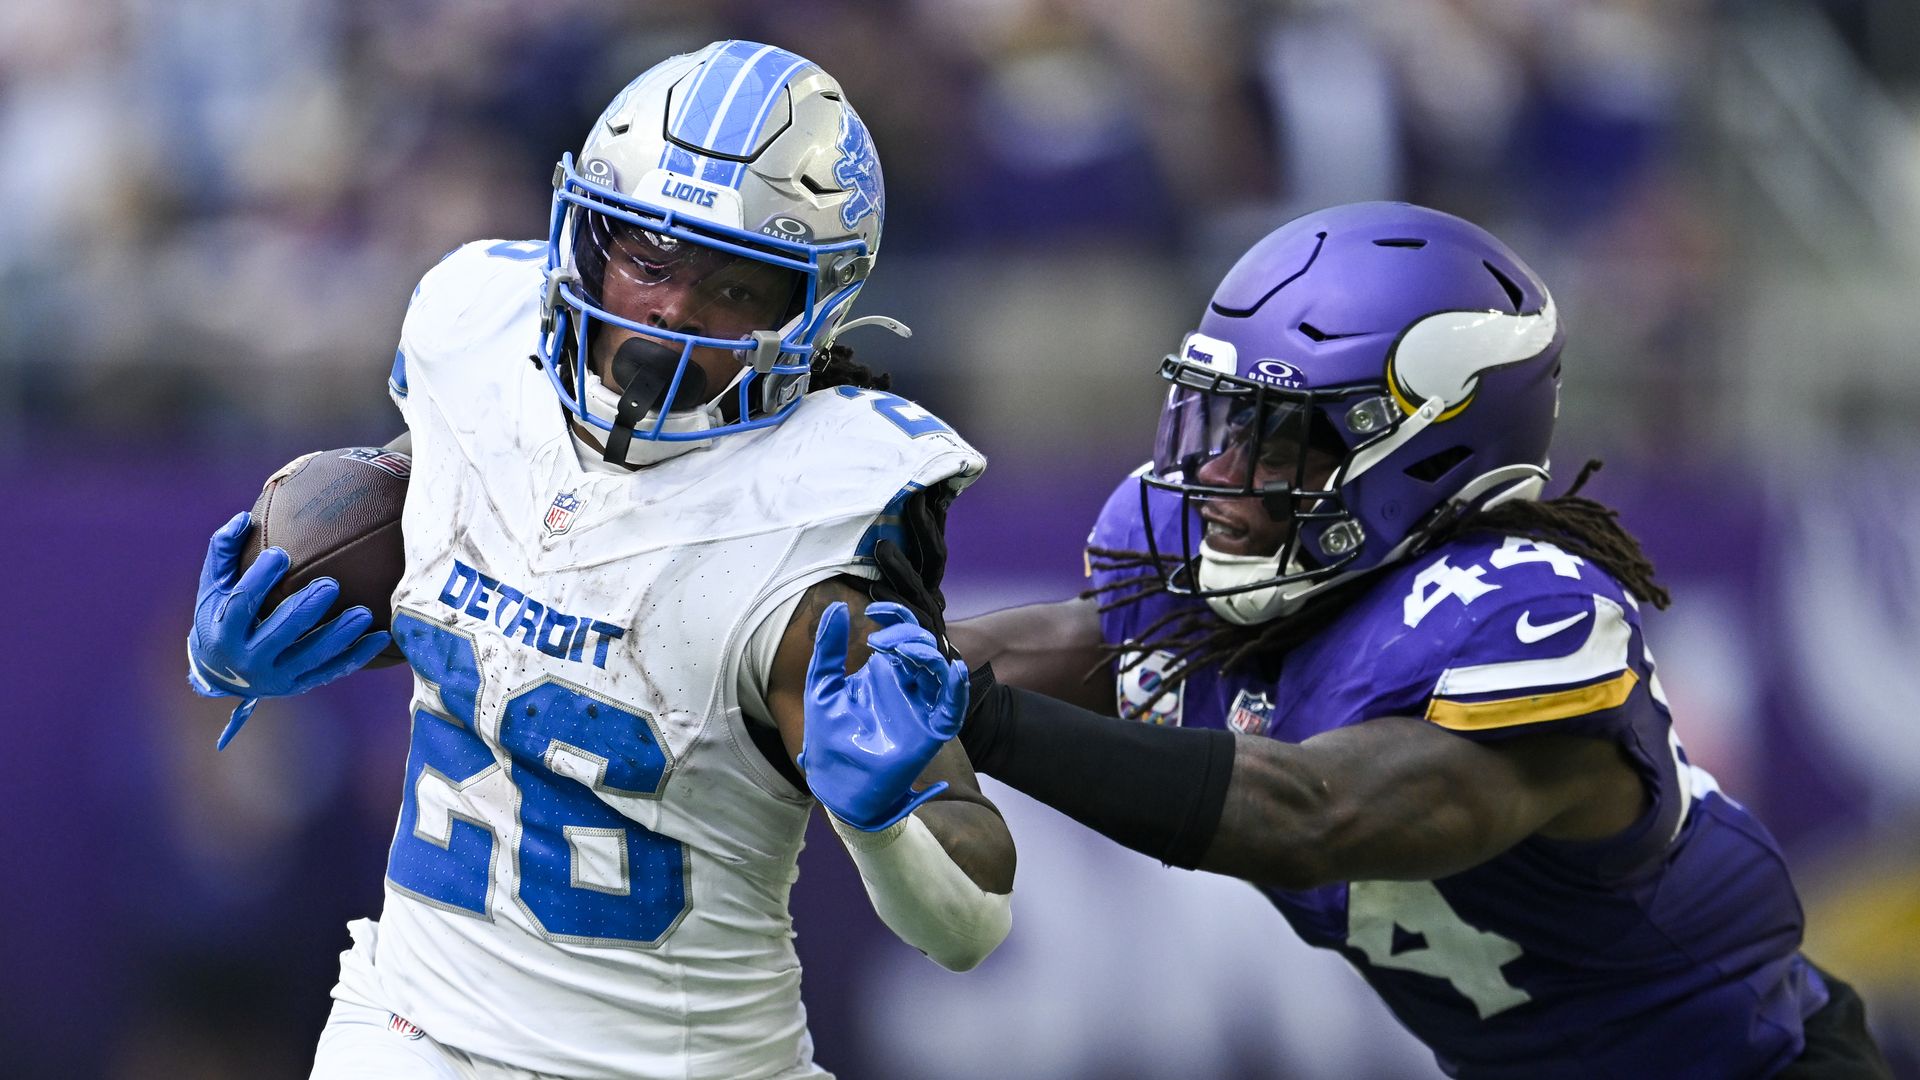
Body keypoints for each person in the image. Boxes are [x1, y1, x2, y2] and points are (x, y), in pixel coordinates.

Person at [865, 202, 1892, 1077]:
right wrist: (858, 653)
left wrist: (977, 717)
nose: (1219, 477)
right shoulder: (1233, 575)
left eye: (1273, 438)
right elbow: (1089, 645)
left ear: (1426, 444)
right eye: (1220, 422)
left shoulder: (1517, 620)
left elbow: (1317, 813)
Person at [186, 41, 1013, 1080]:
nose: (671, 308)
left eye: (736, 283)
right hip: (410, 1028)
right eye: (651, 256)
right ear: (586, 236)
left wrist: (890, 823)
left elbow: (969, 929)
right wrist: (246, 634)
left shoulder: (822, 514)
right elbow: (462, 545)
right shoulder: (476, 346)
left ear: (812, 310)